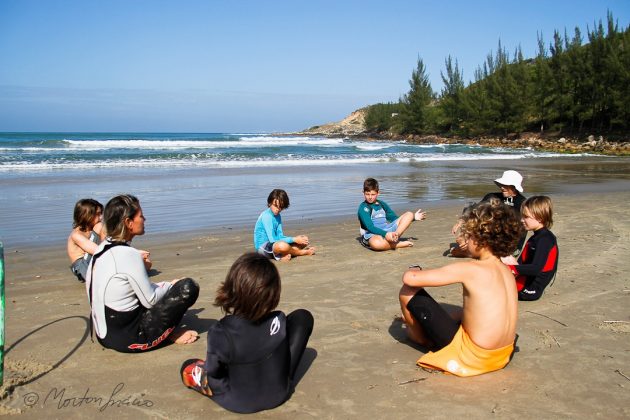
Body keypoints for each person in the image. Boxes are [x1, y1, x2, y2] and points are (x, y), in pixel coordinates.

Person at [398, 200, 524, 377]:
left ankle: (418, 337)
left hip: (475, 357)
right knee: (458, 310)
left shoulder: (471, 269)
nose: (465, 240)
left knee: (407, 290)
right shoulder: (506, 271)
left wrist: (414, 269)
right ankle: (420, 323)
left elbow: (410, 279)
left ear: (480, 239)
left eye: (468, 235)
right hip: (503, 354)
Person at [180, 252, 314, 414]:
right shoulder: (278, 320)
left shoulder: (220, 331)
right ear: (273, 293)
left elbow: (214, 372)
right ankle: (279, 377)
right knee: (302, 317)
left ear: (231, 289)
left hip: (238, 402)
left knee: (188, 366)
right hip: (279, 393)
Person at [86, 194, 199, 353]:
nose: (145, 219)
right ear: (128, 222)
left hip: (104, 335)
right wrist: (171, 285)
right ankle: (167, 335)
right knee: (188, 287)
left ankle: (165, 332)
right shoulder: (128, 254)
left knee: (156, 289)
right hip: (129, 339)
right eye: (141, 215)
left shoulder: (101, 249)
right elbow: (151, 300)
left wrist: (165, 286)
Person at [449, 170, 526, 257]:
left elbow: (521, 230)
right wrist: (462, 221)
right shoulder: (492, 197)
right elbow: (474, 209)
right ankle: (468, 243)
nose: (502, 188)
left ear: (514, 186)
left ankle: (469, 249)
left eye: (506, 185)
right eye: (501, 185)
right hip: (492, 236)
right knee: (472, 208)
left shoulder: (522, 203)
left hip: (510, 243)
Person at [501, 196, 559, 301]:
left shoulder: (545, 239)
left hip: (530, 291)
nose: (522, 220)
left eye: (526, 217)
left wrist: (510, 268)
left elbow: (536, 269)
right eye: (522, 216)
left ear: (540, 217)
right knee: (502, 257)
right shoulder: (536, 237)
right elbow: (522, 262)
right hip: (525, 280)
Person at [358, 177, 426, 251]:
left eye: (373, 194)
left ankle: (395, 237)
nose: (370, 197)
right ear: (363, 192)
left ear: (378, 193)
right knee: (376, 244)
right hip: (373, 234)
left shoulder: (382, 204)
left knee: (409, 214)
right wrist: (385, 234)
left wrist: (413, 218)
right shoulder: (363, 208)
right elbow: (370, 227)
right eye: (367, 194)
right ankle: (397, 244)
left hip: (387, 230)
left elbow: (394, 218)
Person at [253, 189, 315, 261]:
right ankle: (301, 252)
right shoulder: (267, 216)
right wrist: (294, 239)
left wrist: (296, 239)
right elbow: (273, 240)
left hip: (274, 245)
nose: (278, 209)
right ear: (269, 203)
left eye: (281, 207)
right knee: (282, 246)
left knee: (304, 239)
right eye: (275, 206)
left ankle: (285, 254)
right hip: (263, 249)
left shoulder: (277, 216)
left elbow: (280, 236)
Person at [67, 199, 105, 282]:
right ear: (86, 215)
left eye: (101, 213)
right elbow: (97, 250)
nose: (101, 217)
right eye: (98, 214)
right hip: (81, 266)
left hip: (90, 260)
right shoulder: (76, 235)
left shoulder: (92, 230)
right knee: (100, 226)